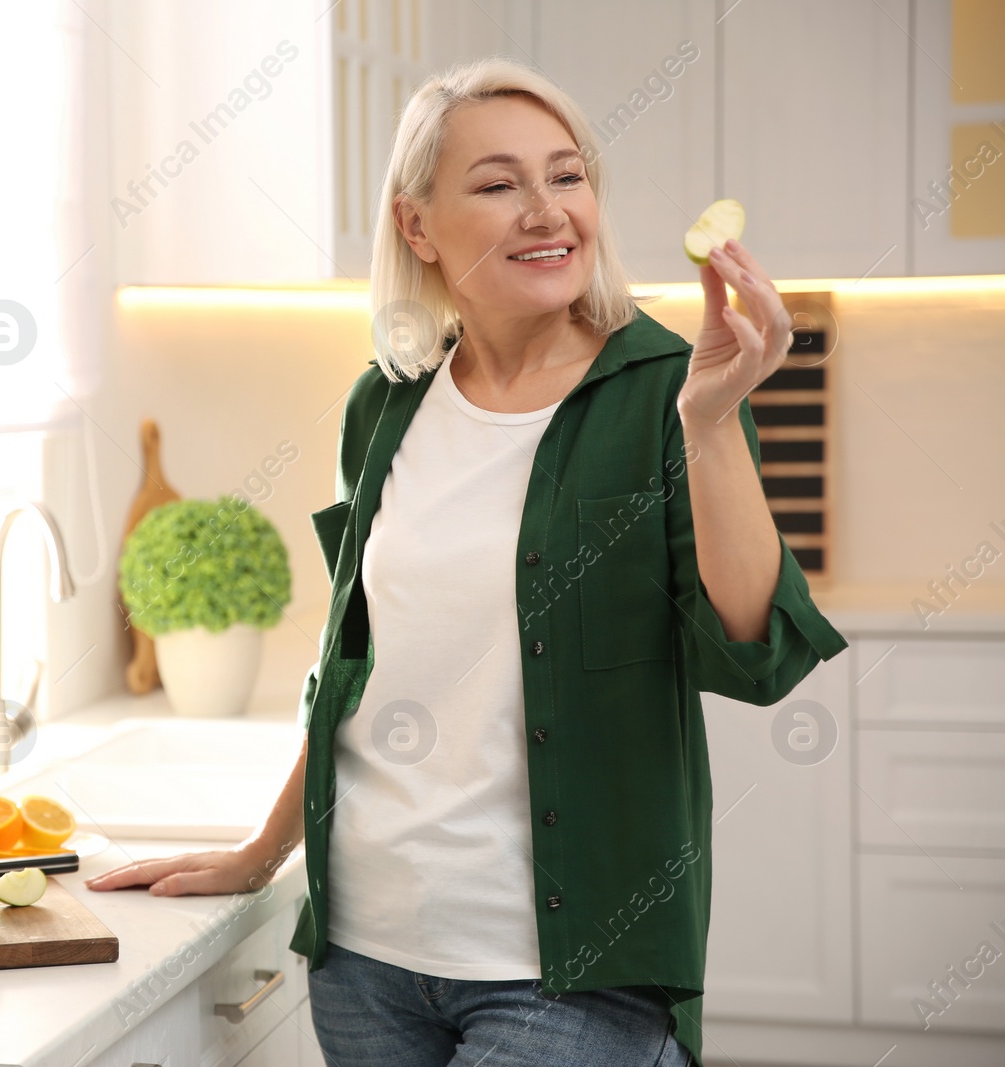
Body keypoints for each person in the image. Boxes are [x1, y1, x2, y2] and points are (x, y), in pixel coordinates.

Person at [86, 56, 848, 1067]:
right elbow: (355, 668)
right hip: (362, 963)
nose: (547, 210)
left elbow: (757, 655)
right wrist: (262, 854)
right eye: (497, 184)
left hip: (572, 976)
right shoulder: (386, 402)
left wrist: (707, 426)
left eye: (566, 176)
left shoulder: (670, 389)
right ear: (416, 226)